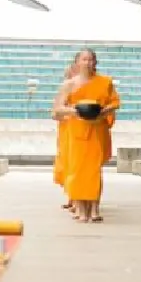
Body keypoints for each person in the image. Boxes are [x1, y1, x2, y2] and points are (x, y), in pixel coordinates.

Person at [54, 48, 120, 223]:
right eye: (84, 59)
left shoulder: (105, 82)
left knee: (93, 172)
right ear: (77, 62)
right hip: (76, 132)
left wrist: (102, 112)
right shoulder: (69, 84)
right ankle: (81, 210)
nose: (88, 63)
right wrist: (75, 111)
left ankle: (94, 209)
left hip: (97, 131)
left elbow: (114, 103)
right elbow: (56, 111)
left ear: (95, 63)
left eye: (91, 60)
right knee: (77, 171)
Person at [52, 62, 76, 212]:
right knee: (68, 165)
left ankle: (77, 199)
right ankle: (72, 197)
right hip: (66, 132)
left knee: (75, 165)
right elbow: (54, 113)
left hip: (79, 131)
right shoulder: (64, 91)